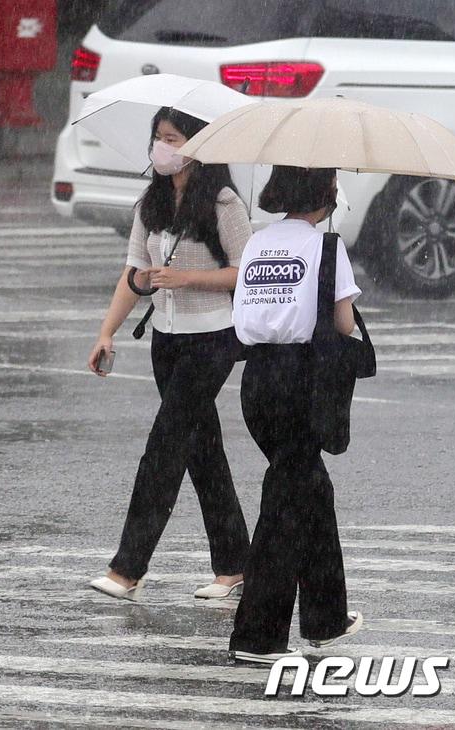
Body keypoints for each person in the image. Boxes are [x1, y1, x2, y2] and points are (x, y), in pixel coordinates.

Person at [87, 107, 253, 602]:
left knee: (164, 446)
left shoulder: (224, 204)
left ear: (198, 146)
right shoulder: (151, 203)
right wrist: (106, 332)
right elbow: (133, 272)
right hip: (166, 337)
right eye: (158, 137)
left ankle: (127, 568)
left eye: (173, 137)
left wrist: (189, 279)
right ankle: (234, 564)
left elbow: (247, 271)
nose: (162, 147)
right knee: (203, 451)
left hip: (213, 338)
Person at [227, 166, 364, 664]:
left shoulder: (258, 244)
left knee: (309, 487)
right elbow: (344, 322)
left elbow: (243, 311)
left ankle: (327, 620)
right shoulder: (327, 248)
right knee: (288, 499)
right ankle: (257, 636)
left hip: (257, 380)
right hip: (302, 382)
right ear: (326, 194)